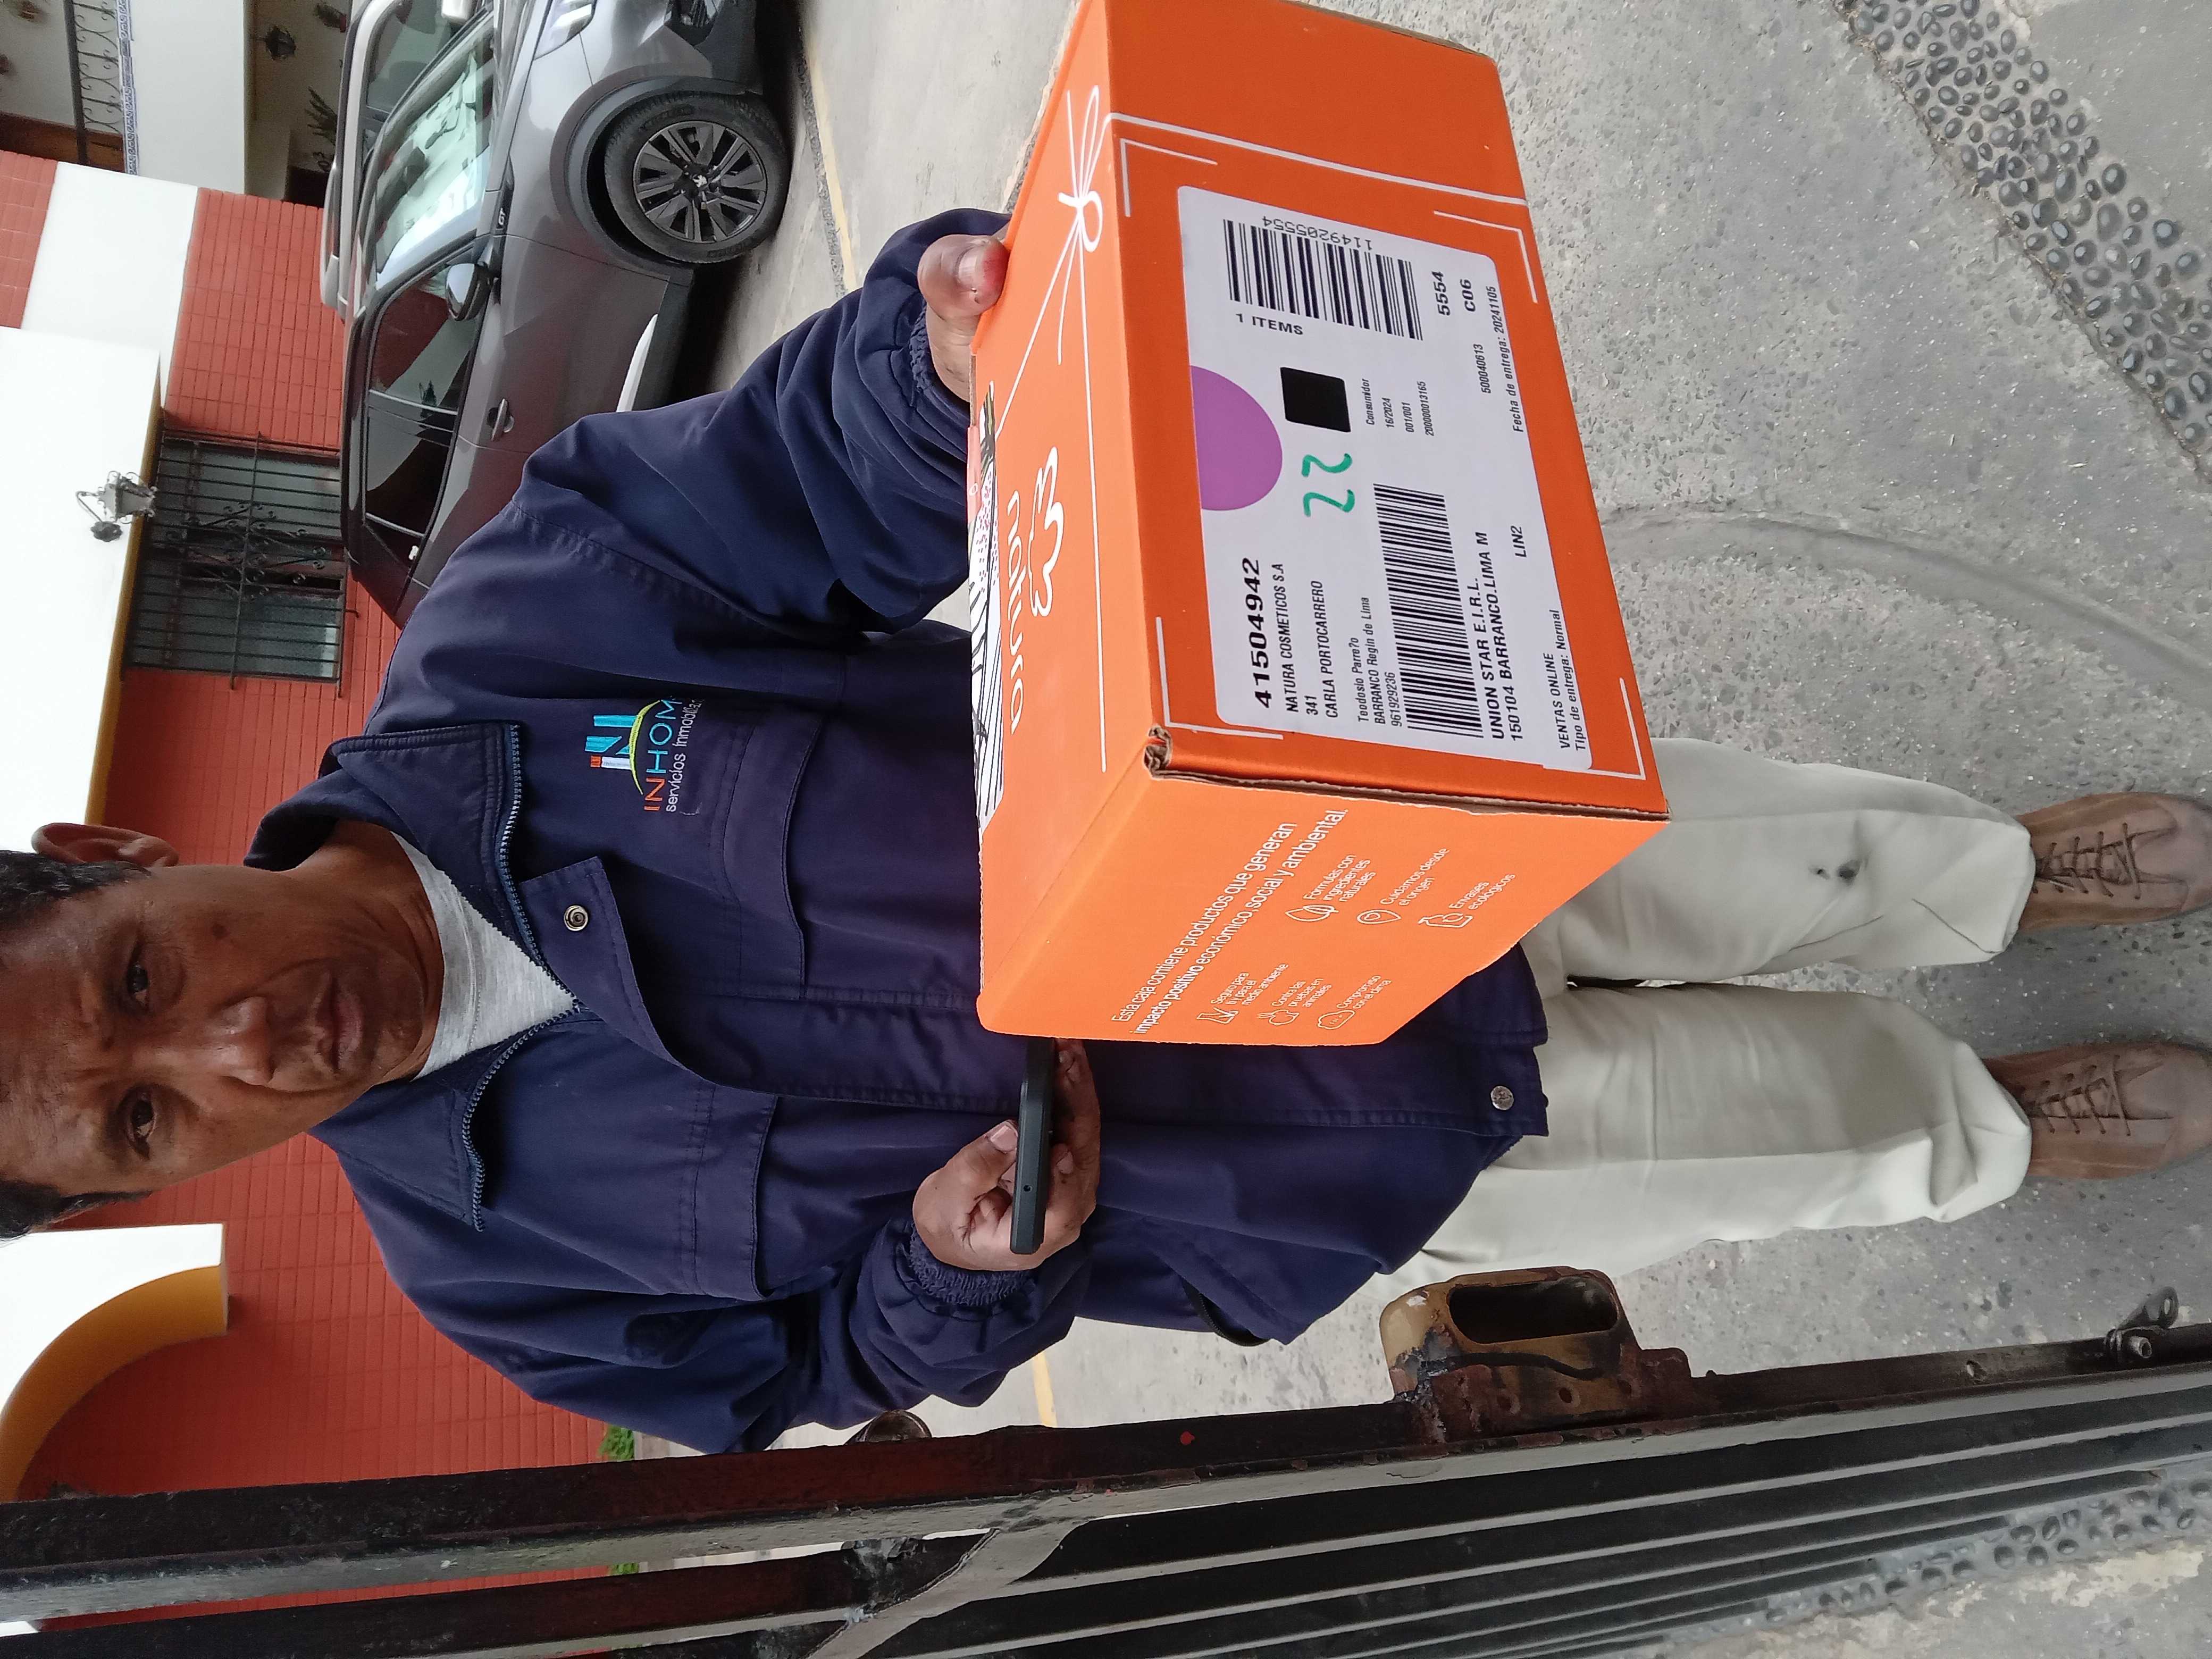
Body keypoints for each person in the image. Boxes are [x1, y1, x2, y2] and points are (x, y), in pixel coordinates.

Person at [5, 212, 2210, 1453]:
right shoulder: (501, 1274)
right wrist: (943, 1280)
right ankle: (1988, 1123)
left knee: (1760, 852)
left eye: (141, 979)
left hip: (1330, 829)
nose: (239, 1045)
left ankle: (1999, 876)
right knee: (1767, 1134)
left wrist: (939, 377)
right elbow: (809, 1372)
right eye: (144, 1118)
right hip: (1337, 1158)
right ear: (149, 1186)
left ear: (116, 850)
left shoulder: (517, 649)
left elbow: (797, 477)